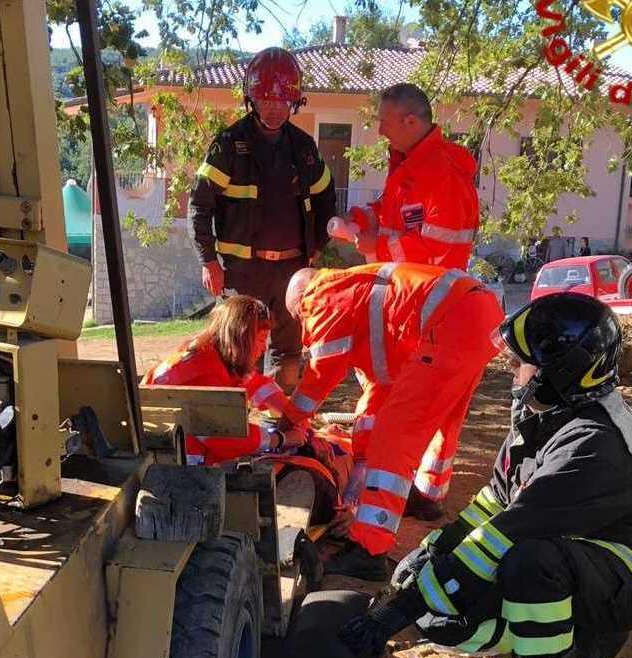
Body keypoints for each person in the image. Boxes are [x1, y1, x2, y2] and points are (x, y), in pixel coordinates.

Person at [338, 292, 632, 658]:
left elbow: (507, 532)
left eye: (523, 364)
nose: (512, 373)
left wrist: (403, 610)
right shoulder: (545, 418)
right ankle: (575, 649)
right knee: (459, 577)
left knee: (526, 565)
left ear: (559, 371)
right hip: (588, 551)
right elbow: (492, 503)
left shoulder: (591, 444)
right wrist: (432, 552)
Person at [278, 263, 504, 580]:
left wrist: (287, 421)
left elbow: (319, 377)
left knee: (392, 438)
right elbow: (379, 389)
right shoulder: (360, 294)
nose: (303, 324)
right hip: (478, 314)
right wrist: (360, 455)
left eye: (298, 317)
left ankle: (369, 550)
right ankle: (427, 498)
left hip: (452, 321)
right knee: (443, 419)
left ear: (301, 299)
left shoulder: (322, 295)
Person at [190, 47, 337, 394]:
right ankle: (236, 429)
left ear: (294, 103)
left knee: (289, 354)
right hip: (243, 272)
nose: (274, 108)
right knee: (239, 352)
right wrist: (208, 260)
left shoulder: (303, 148)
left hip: (291, 272)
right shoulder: (228, 144)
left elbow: (326, 196)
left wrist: (315, 247)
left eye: (282, 101)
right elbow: (200, 205)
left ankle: (279, 430)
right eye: (266, 100)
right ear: (251, 99)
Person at [143, 295, 307, 465]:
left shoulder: (208, 354)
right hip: (185, 465)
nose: (264, 348)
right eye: (260, 339)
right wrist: (281, 438)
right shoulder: (204, 375)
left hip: (171, 449)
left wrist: (294, 414)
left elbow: (255, 383)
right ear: (241, 337)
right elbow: (227, 436)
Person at [336, 84, 479, 269]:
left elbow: (436, 248)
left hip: (433, 293)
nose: (380, 131)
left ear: (411, 122)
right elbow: (393, 216)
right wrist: (360, 219)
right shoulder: (408, 162)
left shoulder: (443, 172)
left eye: (384, 122)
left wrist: (378, 247)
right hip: (407, 287)